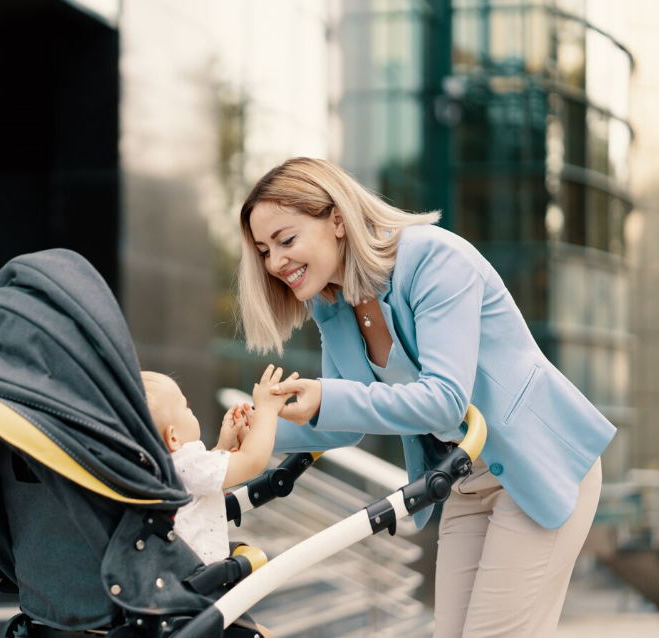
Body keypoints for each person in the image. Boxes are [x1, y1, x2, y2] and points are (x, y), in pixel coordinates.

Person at [235, 157, 615, 637]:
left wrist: (324, 395)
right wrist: (255, 433)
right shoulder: (332, 305)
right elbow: (341, 422)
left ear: (336, 219)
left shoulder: (433, 259)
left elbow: (444, 401)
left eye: (286, 240)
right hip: (464, 475)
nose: (275, 262)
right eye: (264, 250)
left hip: (539, 463)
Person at [141, 365, 291, 566]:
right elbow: (252, 461)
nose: (190, 410)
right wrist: (267, 411)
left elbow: (193, 485)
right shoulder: (189, 464)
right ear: (173, 437)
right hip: (202, 580)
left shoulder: (149, 471)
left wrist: (222, 448)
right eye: (186, 407)